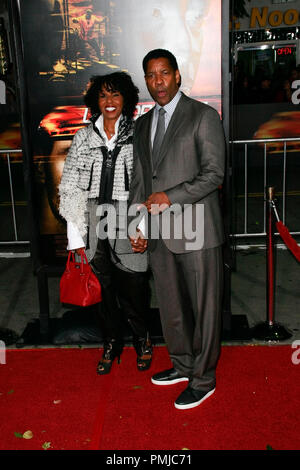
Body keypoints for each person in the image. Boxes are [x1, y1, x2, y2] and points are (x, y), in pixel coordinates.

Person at [129, 49, 225, 410]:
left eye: (164, 74)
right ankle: (184, 365)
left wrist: (169, 196)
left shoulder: (202, 116)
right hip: (158, 232)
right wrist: (136, 224)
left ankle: (204, 379)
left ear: (178, 76)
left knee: (204, 307)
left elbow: (214, 174)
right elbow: (141, 180)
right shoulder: (143, 124)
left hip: (197, 226)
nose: (158, 82)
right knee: (170, 306)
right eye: (151, 76)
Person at [59, 72, 152, 375]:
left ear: (126, 98)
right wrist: (75, 237)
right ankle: (111, 343)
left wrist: (144, 227)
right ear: (94, 101)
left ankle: (142, 339)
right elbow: (71, 185)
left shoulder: (139, 134)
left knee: (134, 287)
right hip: (92, 220)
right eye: (103, 95)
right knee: (104, 290)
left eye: (115, 94)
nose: (109, 101)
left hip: (129, 217)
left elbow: (148, 185)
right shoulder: (83, 136)